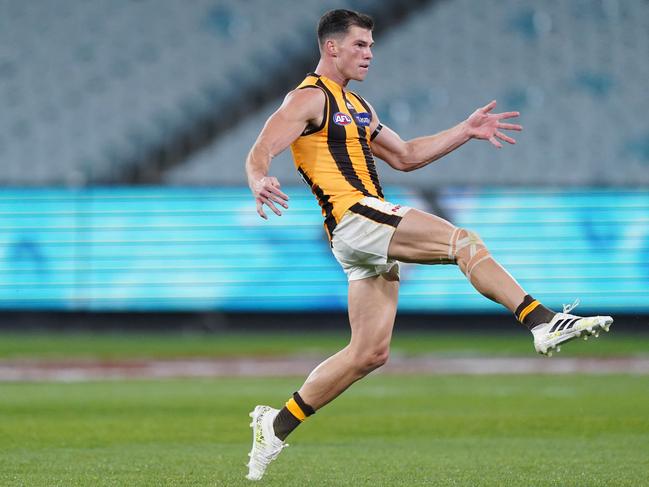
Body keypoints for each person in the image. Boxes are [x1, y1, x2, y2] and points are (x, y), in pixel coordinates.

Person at [244, 9, 613, 481]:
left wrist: (465, 130)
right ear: (331, 47)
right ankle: (541, 320)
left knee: (368, 354)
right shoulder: (307, 98)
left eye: (372, 45)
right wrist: (258, 178)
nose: (370, 53)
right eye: (360, 45)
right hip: (355, 216)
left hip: (358, 232)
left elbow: (405, 156)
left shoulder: (359, 107)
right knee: (463, 240)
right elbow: (262, 145)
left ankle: (275, 424)